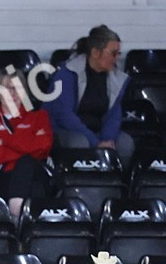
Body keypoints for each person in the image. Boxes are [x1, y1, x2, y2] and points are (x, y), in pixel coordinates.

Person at [44, 24, 133, 168]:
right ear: (96, 52)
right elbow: (65, 116)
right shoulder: (66, 74)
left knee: (125, 143)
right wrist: (96, 143)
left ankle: (116, 179)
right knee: (80, 142)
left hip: (95, 131)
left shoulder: (115, 78)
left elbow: (114, 115)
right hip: (63, 130)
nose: (117, 58)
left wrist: (108, 140)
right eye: (113, 53)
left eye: (119, 53)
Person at [0, 70, 53, 217]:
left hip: (33, 174)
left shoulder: (39, 117)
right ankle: (18, 211)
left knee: (26, 163)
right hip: (0, 176)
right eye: (7, 88)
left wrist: (4, 140)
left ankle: (16, 209)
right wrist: (28, 142)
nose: (13, 93)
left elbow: (44, 147)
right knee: (26, 160)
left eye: (17, 88)